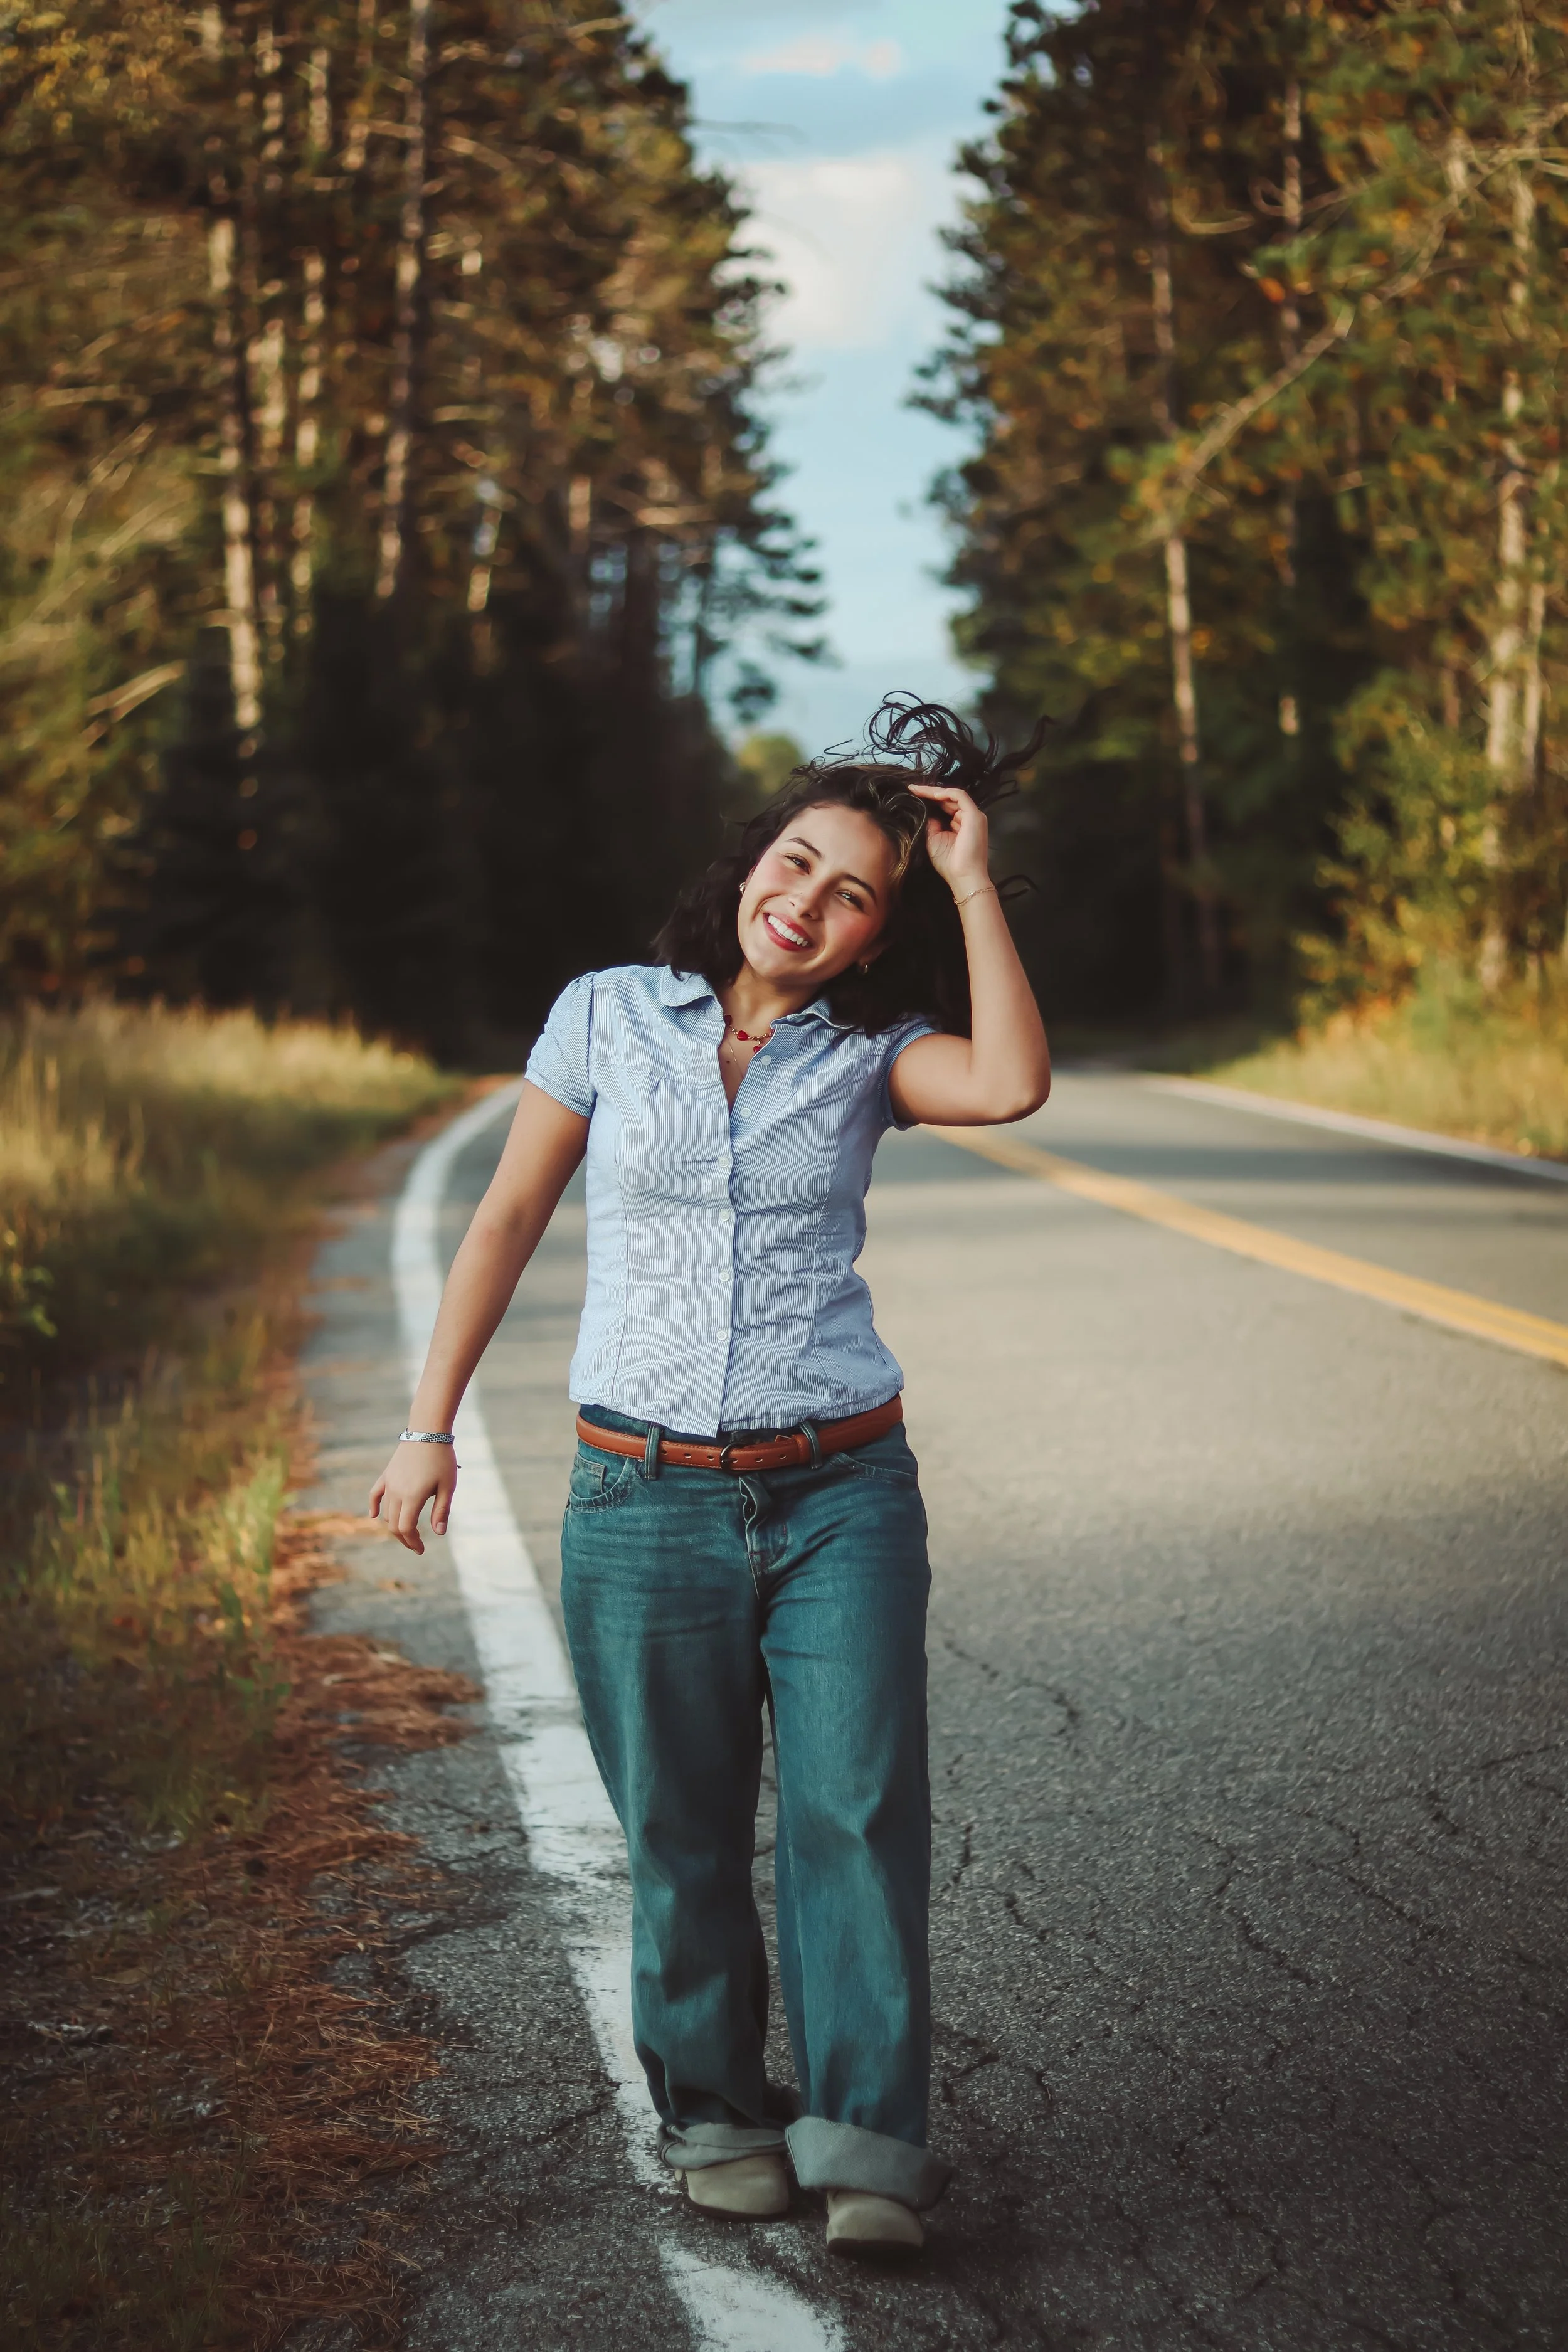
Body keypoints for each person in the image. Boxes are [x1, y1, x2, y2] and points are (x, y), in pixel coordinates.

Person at [371, 697, 1051, 2261]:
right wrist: (427, 1427)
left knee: (856, 1812)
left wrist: (966, 877)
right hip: (639, 1496)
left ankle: (868, 2141)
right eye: (792, 864)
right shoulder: (608, 1013)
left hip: (840, 1496)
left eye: (849, 895)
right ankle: (713, 2112)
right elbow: (504, 1221)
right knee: (678, 1830)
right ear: (752, 861)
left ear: (876, 937)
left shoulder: (879, 1055)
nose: (802, 905)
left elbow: (1011, 1083)